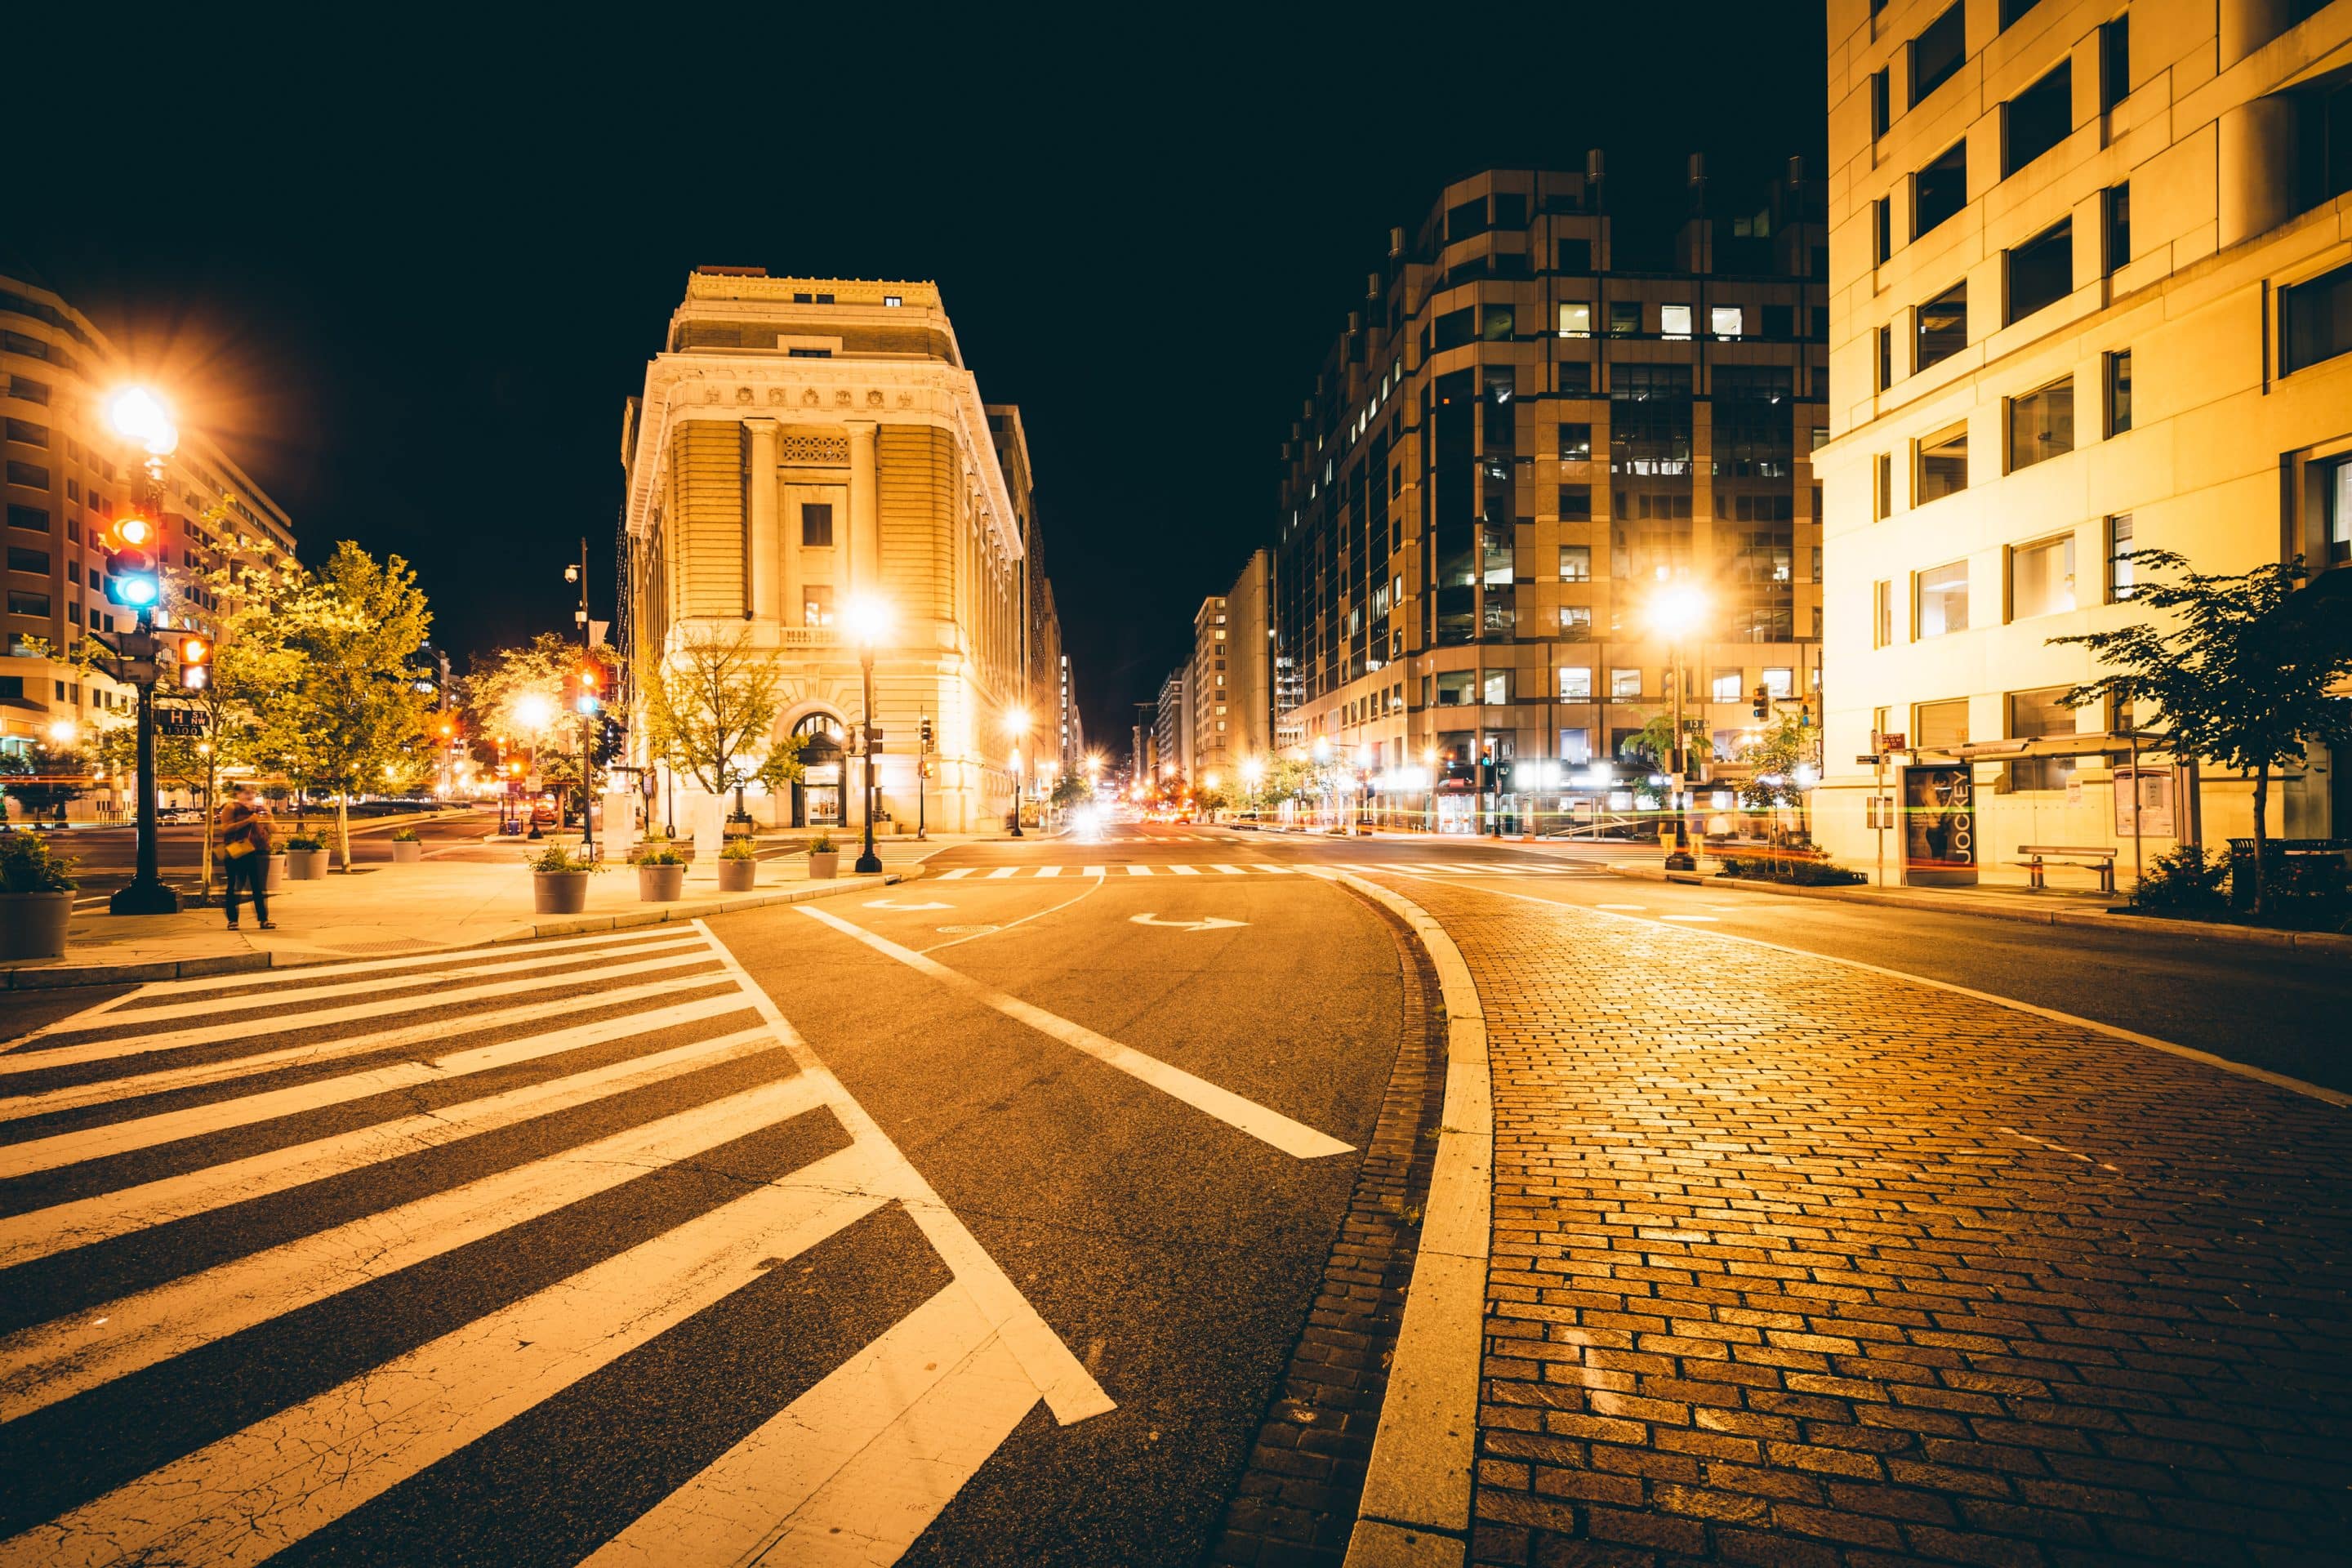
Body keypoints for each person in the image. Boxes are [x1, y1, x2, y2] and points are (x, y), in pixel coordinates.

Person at [218, 785, 276, 930]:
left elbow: (274, 829)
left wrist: (270, 818)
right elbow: (225, 828)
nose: (250, 795)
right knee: (235, 885)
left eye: (252, 792)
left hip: (259, 850)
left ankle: (264, 919)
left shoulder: (260, 808)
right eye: (246, 792)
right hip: (238, 850)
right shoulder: (231, 808)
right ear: (238, 793)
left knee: (259, 887)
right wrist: (248, 821)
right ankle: (232, 920)